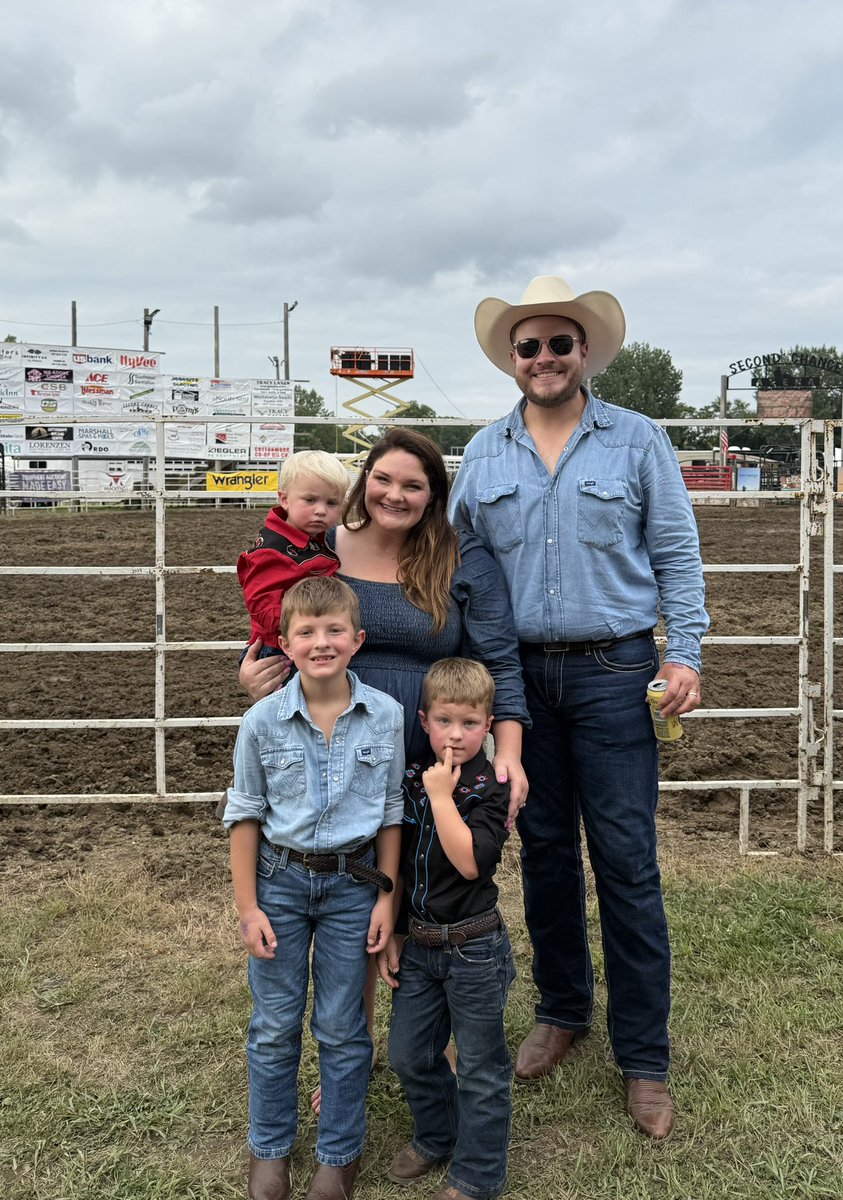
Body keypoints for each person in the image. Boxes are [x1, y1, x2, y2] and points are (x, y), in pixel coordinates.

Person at [449, 275, 709, 1140]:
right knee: (546, 850)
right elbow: (447, 566)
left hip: (615, 670)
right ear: (511, 358)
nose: (544, 358)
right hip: (517, 682)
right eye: (528, 346)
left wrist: (683, 652)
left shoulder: (636, 439)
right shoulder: (482, 454)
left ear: (584, 352)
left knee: (626, 861)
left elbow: (675, 549)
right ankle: (562, 1009)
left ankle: (644, 1055)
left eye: (559, 343)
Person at [239, 428, 530, 1114]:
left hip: (438, 749)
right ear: (362, 481)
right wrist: (253, 673)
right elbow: (287, 630)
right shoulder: (322, 550)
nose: (395, 495)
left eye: (413, 485)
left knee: (435, 891)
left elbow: (499, 659)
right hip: (341, 748)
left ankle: (442, 1039)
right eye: (383, 479)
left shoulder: (461, 556)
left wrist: (508, 750)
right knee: (358, 896)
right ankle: (357, 1045)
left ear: (435, 495)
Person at [224, 575, 404, 1200]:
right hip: (279, 883)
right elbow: (245, 814)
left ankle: (339, 1153)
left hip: (354, 886)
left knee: (342, 1025)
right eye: (306, 632)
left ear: (358, 639)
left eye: (334, 631)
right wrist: (249, 907)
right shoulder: (261, 721)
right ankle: (269, 1146)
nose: (321, 642)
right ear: (284, 643)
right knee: (275, 1022)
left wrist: (387, 896)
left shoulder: (386, 714)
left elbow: (391, 811)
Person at [378, 658, 515, 1200]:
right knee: (408, 1054)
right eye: (443, 721)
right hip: (421, 942)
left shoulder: (490, 784)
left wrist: (441, 798)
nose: (455, 735)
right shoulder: (414, 776)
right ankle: (438, 1134)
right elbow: (401, 860)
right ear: (424, 721)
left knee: (480, 1067)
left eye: (470, 723)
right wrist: (396, 932)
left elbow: (471, 863)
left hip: (474, 945)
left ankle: (478, 1174)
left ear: (488, 724)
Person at [237, 449, 348, 655]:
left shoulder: (315, 538)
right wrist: (309, 626)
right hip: (280, 648)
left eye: (331, 503)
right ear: (284, 499)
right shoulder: (273, 551)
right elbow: (263, 607)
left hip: (305, 640)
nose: (321, 510)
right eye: (310, 500)